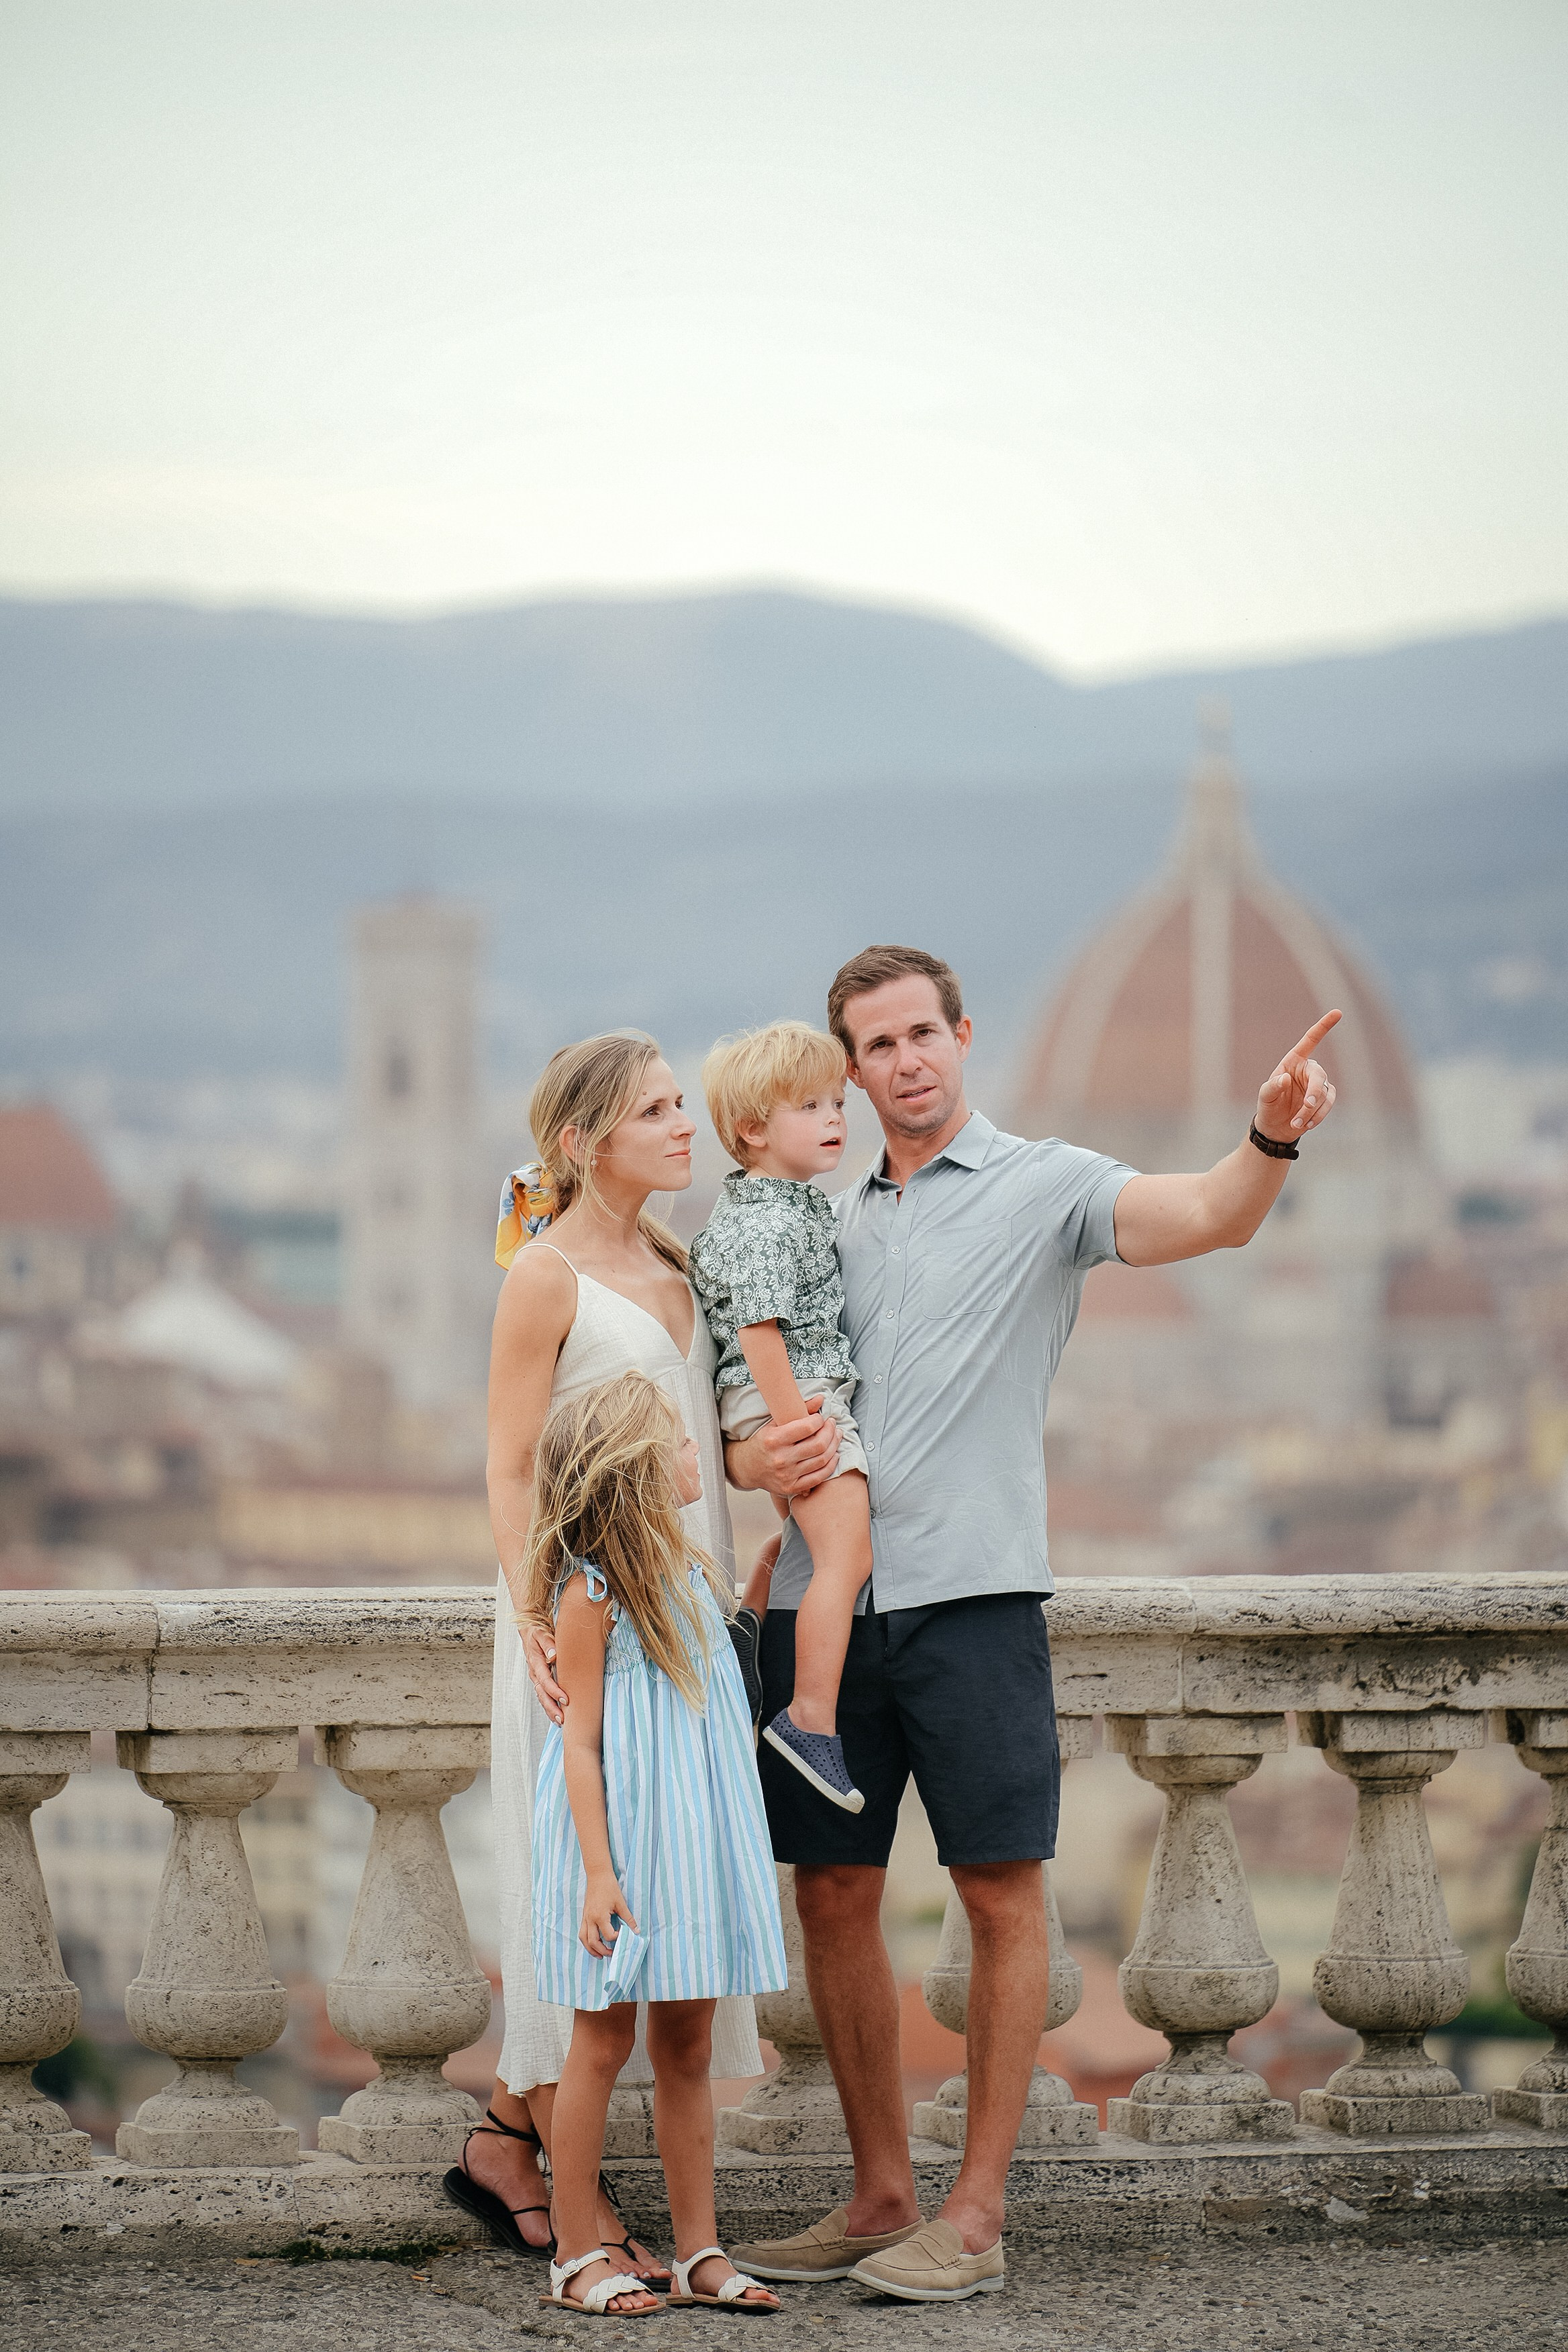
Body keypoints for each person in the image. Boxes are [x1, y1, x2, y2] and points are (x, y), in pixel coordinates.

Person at [706, 942, 1340, 2304]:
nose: (904, 1061)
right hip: (824, 1601)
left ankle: (977, 2214)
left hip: (977, 1597)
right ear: (850, 1070)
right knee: (829, 1890)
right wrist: (756, 1460)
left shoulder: (1044, 1183)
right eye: (876, 1046)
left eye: (921, 1032)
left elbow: (1210, 1215)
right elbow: (748, 1417)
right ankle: (882, 2194)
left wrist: (1268, 1138)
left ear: (962, 1035)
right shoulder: (814, 1214)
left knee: (1000, 1893)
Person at [444, 1030, 766, 2283]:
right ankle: (552, 2187)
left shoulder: (680, 1259)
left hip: (687, 1612)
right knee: (585, 1898)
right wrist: (535, 1612)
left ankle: (518, 2149)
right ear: (583, 1142)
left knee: (670, 1896)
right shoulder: (545, 1276)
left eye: (682, 1103)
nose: (686, 1125)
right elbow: (510, 1462)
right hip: (582, 1618)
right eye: (657, 1110)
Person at [526, 1371, 787, 2316]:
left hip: (692, 1837)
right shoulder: (590, 1593)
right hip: (623, 1844)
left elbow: (720, 1686)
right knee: (599, 2042)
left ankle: (697, 2251)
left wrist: (763, 1581)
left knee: (688, 2040)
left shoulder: (687, 1573)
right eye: (677, 1442)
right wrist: (599, 1873)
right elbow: (581, 1744)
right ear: (634, 1470)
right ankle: (574, 2254)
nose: (693, 1453)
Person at [688, 1022, 873, 1814]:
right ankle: (809, 1719)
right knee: (847, 1557)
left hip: (766, 1398)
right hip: (790, 1393)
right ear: (752, 1130)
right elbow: (760, 1331)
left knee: (803, 1542)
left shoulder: (765, 1207)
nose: (833, 1118)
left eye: (836, 1103)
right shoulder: (770, 1222)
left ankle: (748, 1630)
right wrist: (799, 1424)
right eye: (809, 1106)